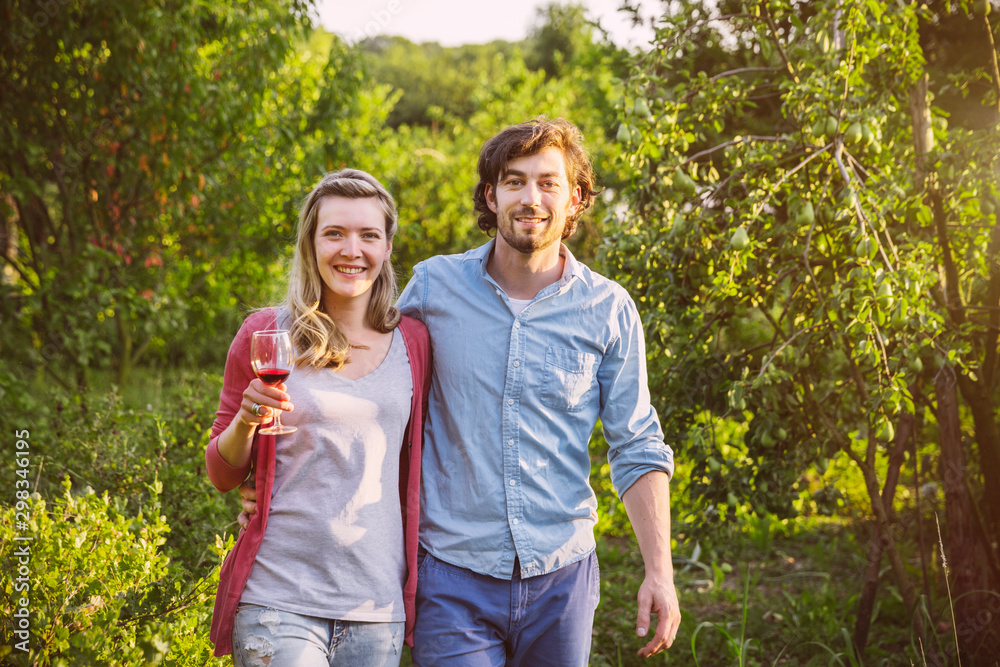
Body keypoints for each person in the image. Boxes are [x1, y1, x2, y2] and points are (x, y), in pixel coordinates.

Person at [240, 117, 680, 664]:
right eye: (514, 181)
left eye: (549, 182)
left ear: (576, 199)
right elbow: (359, 377)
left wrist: (658, 570)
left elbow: (636, 444)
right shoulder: (433, 289)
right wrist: (278, 480)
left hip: (562, 577)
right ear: (491, 196)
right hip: (451, 578)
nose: (531, 197)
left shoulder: (609, 310)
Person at [205, 168, 432, 667]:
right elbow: (222, 474)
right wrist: (246, 420)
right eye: (334, 233)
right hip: (278, 598)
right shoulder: (266, 333)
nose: (352, 250)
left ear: (388, 246)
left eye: (368, 235)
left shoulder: (414, 342)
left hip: (376, 606)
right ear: (310, 243)